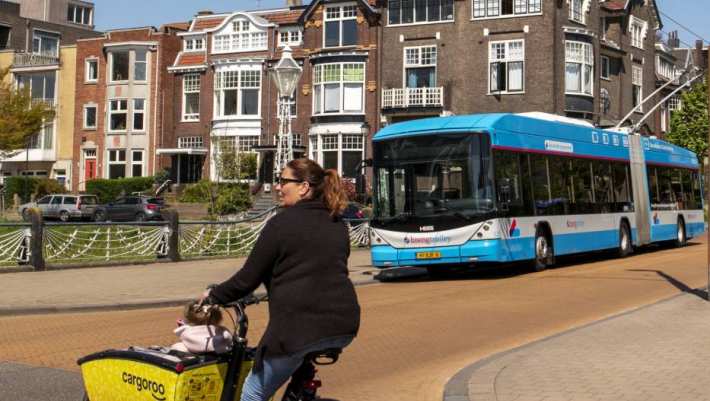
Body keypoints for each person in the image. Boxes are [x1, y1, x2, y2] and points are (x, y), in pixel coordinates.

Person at [201, 158, 361, 401]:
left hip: (299, 329)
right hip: (344, 323)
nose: (277, 186)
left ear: (304, 187)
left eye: (283, 181)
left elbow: (246, 280)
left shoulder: (280, 224)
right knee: (297, 374)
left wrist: (213, 296)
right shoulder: (337, 223)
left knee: (253, 393)